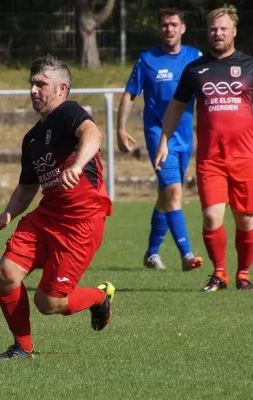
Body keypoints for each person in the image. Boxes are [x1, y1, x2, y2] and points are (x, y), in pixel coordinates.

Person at [0, 54, 114, 361]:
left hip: (81, 223)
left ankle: (99, 296)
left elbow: (92, 134)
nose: (33, 90)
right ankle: (22, 347)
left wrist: (78, 164)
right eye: (31, 83)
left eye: (41, 84)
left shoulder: (68, 112)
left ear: (61, 88)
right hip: (46, 218)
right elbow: (28, 186)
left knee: (48, 303)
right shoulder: (32, 139)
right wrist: (7, 213)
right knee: (6, 273)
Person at [155, 5, 253, 292]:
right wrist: (164, 141)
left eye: (223, 28)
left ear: (234, 31)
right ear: (207, 32)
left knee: (246, 220)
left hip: (246, 157)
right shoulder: (196, 69)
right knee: (211, 217)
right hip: (211, 158)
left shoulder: (249, 66)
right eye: (213, 29)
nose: (218, 33)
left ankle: (243, 274)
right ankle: (219, 274)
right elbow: (176, 107)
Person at [117, 8, 203, 271]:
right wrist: (120, 129)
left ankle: (151, 253)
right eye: (164, 25)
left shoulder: (194, 57)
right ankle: (187, 254)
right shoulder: (147, 60)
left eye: (174, 24)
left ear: (183, 28)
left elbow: (206, 91)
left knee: (165, 195)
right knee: (174, 192)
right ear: (160, 29)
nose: (169, 29)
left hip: (185, 138)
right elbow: (129, 95)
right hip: (158, 136)